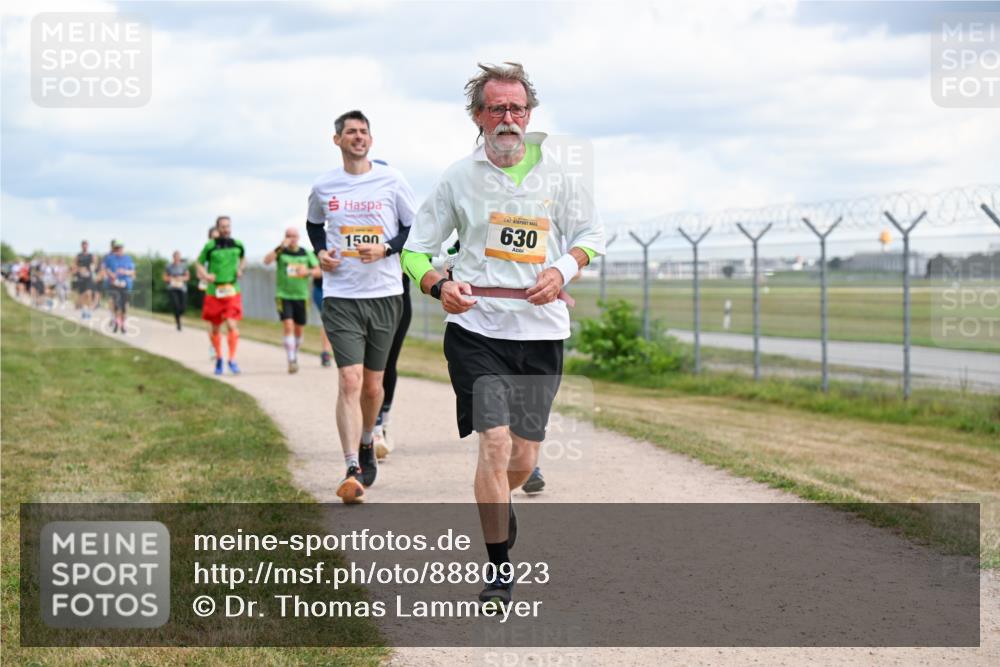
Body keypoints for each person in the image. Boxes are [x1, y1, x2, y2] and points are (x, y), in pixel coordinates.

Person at [402, 62, 604, 606]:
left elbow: (592, 234)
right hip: (477, 327)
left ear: (529, 114)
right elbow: (415, 250)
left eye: (517, 108)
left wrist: (562, 268)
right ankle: (497, 565)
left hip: (540, 332)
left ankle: (499, 501)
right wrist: (436, 284)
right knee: (493, 445)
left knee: (522, 461)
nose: (508, 118)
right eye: (497, 109)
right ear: (478, 116)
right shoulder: (456, 178)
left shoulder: (558, 176)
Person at [305, 109, 417, 504]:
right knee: (349, 380)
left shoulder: (392, 179)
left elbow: (412, 229)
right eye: (351, 132)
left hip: (385, 294)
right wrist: (321, 252)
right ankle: (352, 465)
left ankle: (369, 439)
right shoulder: (323, 186)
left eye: (364, 132)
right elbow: (314, 225)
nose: (358, 137)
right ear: (337, 140)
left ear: (371, 139)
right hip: (341, 296)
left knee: (373, 384)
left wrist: (386, 247)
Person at [263, 227, 320, 374]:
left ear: (299, 237)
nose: (291, 239)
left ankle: (294, 352)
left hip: (301, 296)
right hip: (283, 295)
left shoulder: (306, 253)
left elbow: (319, 271)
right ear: (284, 237)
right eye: (288, 236)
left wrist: (307, 272)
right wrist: (280, 247)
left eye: (294, 236)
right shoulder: (280, 252)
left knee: (299, 330)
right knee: (288, 325)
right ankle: (291, 359)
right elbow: (266, 261)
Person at [195, 216, 246, 375]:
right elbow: (198, 262)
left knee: (231, 324)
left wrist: (240, 269)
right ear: (218, 229)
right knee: (215, 328)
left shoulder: (238, 244)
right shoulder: (210, 246)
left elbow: (243, 258)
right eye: (223, 227)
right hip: (214, 292)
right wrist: (205, 275)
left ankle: (231, 359)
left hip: (231, 289)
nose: (226, 229)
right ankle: (218, 358)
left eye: (228, 226)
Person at [103, 240, 135, 333]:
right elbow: (105, 269)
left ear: (122, 249)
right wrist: (111, 274)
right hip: (114, 284)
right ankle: (117, 323)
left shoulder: (128, 258)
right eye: (116, 248)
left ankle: (123, 325)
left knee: (124, 306)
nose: (118, 250)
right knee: (116, 305)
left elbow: (132, 271)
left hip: (125, 284)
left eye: (120, 248)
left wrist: (125, 272)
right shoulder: (110, 258)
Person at [311, 273, 334, 367]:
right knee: (328, 318)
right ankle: (325, 352)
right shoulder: (314, 257)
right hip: (321, 290)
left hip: (341, 290)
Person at [163, 251, 189, 331]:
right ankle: (178, 323)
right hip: (172, 288)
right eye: (176, 256)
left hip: (182, 288)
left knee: (183, 307)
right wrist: (171, 278)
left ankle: (179, 315)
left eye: (178, 257)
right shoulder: (168, 266)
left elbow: (187, 277)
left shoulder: (183, 266)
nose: (177, 258)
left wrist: (181, 278)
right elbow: (165, 277)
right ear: (173, 257)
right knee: (176, 305)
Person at [73, 241, 96, 319]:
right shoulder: (78, 256)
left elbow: (94, 265)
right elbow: (74, 266)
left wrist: (91, 271)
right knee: (82, 295)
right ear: (81, 246)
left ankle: (89, 311)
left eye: (86, 245)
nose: (85, 247)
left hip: (88, 277)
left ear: (88, 246)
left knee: (89, 293)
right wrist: (79, 269)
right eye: (83, 245)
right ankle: (84, 311)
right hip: (80, 277)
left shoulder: (91, 255)